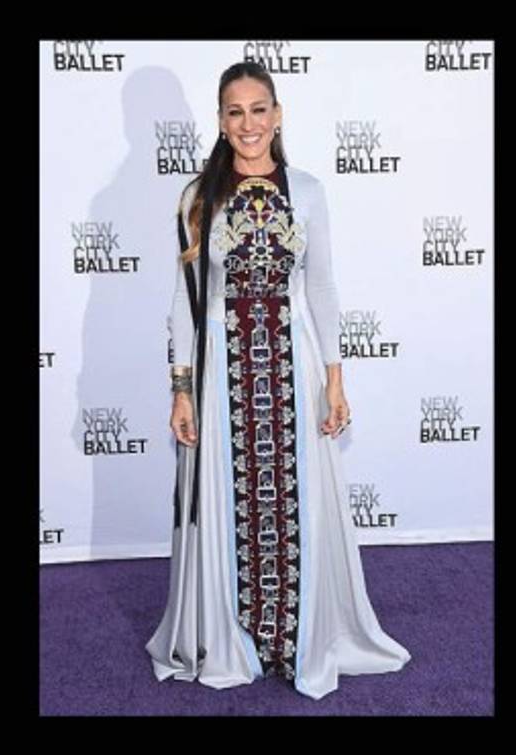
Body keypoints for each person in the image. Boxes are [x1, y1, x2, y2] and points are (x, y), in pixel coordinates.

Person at [146, 61, 410, 700]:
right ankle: (233, 639)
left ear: (278, 113)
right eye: (235, 112)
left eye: (259, 109)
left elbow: (320, 287)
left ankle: (298, 637)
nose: (248, 124)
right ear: (220, 121)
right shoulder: (196, 196)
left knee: (298, 506)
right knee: (228, 504)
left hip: (291, 365)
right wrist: (181, 386)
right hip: (220, 375)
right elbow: (186, 302)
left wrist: (335, 379)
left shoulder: (310, 191)